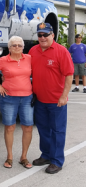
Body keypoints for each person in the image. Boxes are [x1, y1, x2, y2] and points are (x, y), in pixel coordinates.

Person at [29, 22, 74, 174]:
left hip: (56, 101)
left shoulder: (62, 52)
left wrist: (64, 96)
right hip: (39, 100)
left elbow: (69, 75)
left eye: (45, 34)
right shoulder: (33, 51)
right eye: (40, 35)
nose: (42, 38)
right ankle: (46, 155)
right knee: (43, 130)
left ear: (52, 35)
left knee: (57, 131)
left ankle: (57, 161)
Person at [0, 36, 33, 169]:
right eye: (14, 45)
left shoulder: (29, 58)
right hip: (9, 98)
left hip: (27, 98)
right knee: (9, 127)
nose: (17, 47)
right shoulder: (3, 60)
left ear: (23, 47)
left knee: (28, 127)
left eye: (19, 45)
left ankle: (24, 157)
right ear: (9, 47)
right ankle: (10, 157)